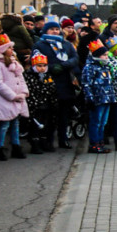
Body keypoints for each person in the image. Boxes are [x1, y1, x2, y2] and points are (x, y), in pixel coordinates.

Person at [33, 20, 79, 150]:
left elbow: (75, 58)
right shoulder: (40, 45)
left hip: (65, 83)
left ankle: (63, 139)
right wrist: (52, 67)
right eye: (51, 29)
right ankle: (48, 141)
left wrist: (63, 65)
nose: (55, 31)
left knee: (64, 115)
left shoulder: (66, 44)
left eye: (56, 29)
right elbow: (36, 61)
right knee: (49, 115)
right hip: (48, 84)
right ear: (45, 31)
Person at [81, 40, 115, 154]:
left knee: (103, 122)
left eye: (107, 55)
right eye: (104, 55)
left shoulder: (105, 66)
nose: (107, 57)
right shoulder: (90, 67)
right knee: (96, 121)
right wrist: (89, 98)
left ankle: (100, 142)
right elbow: (86, 84)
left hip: (106, 98)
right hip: (96, 99)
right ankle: (94, 144)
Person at [22, 52, 57, 154]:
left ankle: (44, 142)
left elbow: (52, 88)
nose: (42, 68)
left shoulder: (47, 76)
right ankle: (34, 144)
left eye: (44, 66)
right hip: (35, 105)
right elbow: (29, 91)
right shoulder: (29, 76)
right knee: (35, 126)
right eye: (39, 66)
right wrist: (34, 102)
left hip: (47, 104)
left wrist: (52, 101)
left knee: (46, 125)